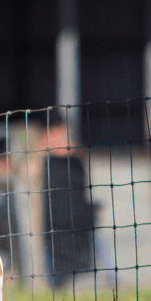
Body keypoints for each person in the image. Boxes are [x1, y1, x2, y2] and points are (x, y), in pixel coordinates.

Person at [39, 117, 98, 289]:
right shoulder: (42, 163)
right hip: (51, 228)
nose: (62, 140)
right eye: (57, 135)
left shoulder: (75, 161)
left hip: (76, 225)